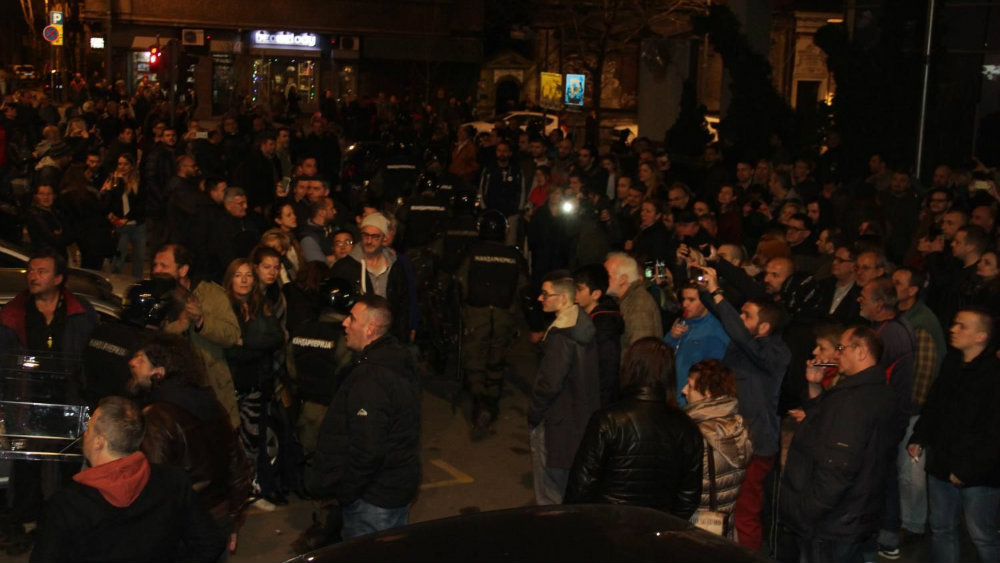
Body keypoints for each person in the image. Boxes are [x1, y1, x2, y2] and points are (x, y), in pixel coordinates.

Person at [30, 396, 225, 563]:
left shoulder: (67, 504)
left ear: (99, 442)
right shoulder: (174, 482)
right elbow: (210, 543)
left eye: (88, 429)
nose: (84, 434)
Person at [306, 296, 421, 539]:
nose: (345, 323)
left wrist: (347, 492)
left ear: (370, 329)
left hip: (374, 501)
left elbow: (368, 449)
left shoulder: (371, 378)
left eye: (352, 318)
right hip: (392, 490)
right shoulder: (393, 360)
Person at [780, 326, 896, 563]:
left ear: (861, 351)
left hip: (833, 521)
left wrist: (808, 510)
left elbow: (838, 466)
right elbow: (823, 424)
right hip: (850, 516)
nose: (836, 355)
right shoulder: (871, 389)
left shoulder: (854, 399)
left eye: (841, 348)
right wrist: (814, 385)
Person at [128, 333, 250, 554]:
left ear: (159, 373)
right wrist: (233, 519)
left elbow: (156, 486)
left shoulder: (157, 417)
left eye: (140, 359)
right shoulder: (211, 404)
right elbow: (238, 466)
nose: (132, 363)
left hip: (183, 531)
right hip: (217, 519)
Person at [698, 264, 790, 553]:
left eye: (746, 316)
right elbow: (726, 320)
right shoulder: (745, 344)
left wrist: (717, 292)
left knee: (746, 511)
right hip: (734, 438)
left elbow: (738, 333)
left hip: (756, 444)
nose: (738, 319)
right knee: (727, 509)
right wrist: (705, 287)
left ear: (764, 327)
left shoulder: (774, 352)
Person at [564, 337, 703, 517]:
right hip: (655, 531)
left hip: (607, 526)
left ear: (631, 368)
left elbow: (581, 484)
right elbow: (689, 496)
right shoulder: (688, 428)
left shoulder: (608, 420)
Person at [908, 309, 1000, 563]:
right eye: (954, 323)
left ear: (981, 336)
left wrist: (967, 469)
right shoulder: (951, 363)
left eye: (962, 326)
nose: (953, 329)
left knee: (982, 535)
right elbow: (934, 405)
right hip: (942, 463)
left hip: (979, 473)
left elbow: (994, 432)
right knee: (941, 529)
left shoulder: (993, 375)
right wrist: (919, 437)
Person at [527, 271, 601, 505]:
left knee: (550, 496)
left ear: (563, 299)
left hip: (557, 428)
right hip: (577, 425)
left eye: (546, 294)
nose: (540, 298)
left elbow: (549, 385)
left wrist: (534, 414)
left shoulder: (561, 337)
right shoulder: (583, 325)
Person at [152, 244, 242, 429]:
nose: (156, 271)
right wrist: (180, 325)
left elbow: (232, 334)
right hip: (169, 396)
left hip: (210, 391)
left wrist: (202, 321)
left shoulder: (210, 294)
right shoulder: (153, 296)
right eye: (155, 265)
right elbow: (149, 340)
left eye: (163, 265)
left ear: (183, 270)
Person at [456, 210, 529, 433]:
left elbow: (461, 282)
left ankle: (480, 401)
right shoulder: (514, 255)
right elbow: (522, 288)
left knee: (475, 358)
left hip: (477, 313)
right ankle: (492, 400)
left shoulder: (473, 252)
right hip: (503, 315)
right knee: (496, 359)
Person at [223, 258, 286, 505]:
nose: (245, 280)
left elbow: (276, 338)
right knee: (231, 439)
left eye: (248, 274)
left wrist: (246, 342)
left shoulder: (262, 305)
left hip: (256, 383)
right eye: (239, 275)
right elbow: (229, 348)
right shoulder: (225, 308)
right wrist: (252, 344)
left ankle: (249, 486)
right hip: (232, 383)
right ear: (230, 279)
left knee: (252, 439)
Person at [682, 359, 751, 538]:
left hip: (697, 527)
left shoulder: (697, 434)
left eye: (690, 386)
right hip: (723, 526)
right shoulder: (738, 427)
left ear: (707, 393)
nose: (683, 391)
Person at [330, 212, 412, 343]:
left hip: (389, 336)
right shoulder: (345, 267)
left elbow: (403, 302)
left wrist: (403, 337)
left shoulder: (395, 265)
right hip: (356, 337)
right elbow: (334, 306)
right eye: (366, 235)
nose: (369, 241)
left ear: (383, 238)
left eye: (375, 236)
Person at [664, 283, 730, 405]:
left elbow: (713, 376)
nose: (685, 305)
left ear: (706, 301)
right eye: (683, 299)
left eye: (692, 300)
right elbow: (663, 355)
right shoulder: (683, 322)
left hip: (695, 401)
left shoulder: (716, 331)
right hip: (676, 397)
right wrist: (671, 337)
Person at [573, 264, 624, 407]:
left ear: (595, 294)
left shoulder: (604, 325)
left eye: (579, 289)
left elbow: (607, 370)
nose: (574, 293)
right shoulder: (587, 316)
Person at [604, 252, 663, 350]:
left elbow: (641, 350)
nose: (602, 280)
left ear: (623, 279)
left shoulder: (639, 305)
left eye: (607, 276)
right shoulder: (624, 300)